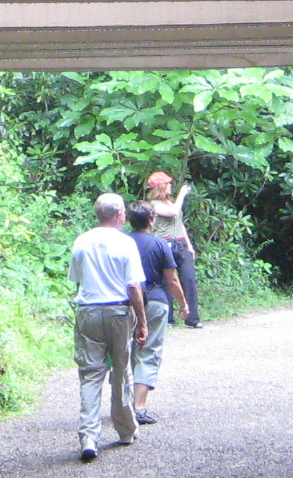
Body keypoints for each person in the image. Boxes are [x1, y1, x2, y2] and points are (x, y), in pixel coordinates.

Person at [69, 192, 148, 462]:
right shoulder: (125, 243)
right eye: (123, 211)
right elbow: (133, 286)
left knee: (90, 374)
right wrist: (142, 322)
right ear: (118, 214)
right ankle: (125, 430)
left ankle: (88, 437)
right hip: (119, 312)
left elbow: (77, 280)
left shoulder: (81, 241)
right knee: (121, 371)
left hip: (88, 311)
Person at [124, 200, 189, 424]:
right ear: (152, 220)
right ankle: (138, 407)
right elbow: (172, 280)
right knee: (148, 351)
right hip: (154, 301)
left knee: (126, 353)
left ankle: (123, 404)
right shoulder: (160, 244)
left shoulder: (122, 242)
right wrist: (183, 305)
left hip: (125, 303)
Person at [144, 172, 201, 326]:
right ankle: (168, 319)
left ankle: (192, 318)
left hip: (181, 243)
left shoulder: (171, 202)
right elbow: (173, 212)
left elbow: (180, 223)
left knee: (189, 279)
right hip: (165, 244)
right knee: (167, 280)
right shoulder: (154, 205)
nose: (170, 186)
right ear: (161, 186)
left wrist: (189, 245)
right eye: (168, 183)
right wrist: (182, 194)